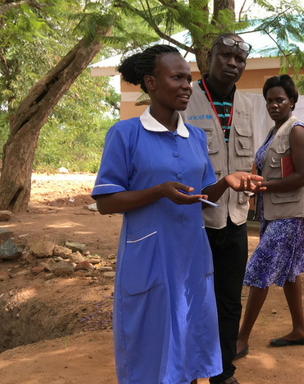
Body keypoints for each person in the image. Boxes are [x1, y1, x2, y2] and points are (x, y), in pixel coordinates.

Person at [92, 45, 264, 384]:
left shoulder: (195, 138)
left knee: (188, 342)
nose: (187, 85)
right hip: (149, 257)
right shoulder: (125, 134)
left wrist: (226, 182)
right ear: (151, 83)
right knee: (149, 345)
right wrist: (157, 192)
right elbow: (105, 202)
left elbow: (199, 198)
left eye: (188, 78)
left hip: (191, 257)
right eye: (177, 78)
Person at [183, 33, 254, 384]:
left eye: (239, 59)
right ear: (209, 57)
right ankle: (190, 370)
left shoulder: (247, 105)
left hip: (236, 220)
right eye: (225, 55)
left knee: (228, 303)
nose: (233, 63)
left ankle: (223, 373)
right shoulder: (187, 100)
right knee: (194, 301)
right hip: (196, 221)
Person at [235, 75, 304, 357]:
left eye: (280, 99)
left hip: (293, 215)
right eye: (269, 100)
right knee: (290, 270)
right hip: (275, 212)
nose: (274, 104)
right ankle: (300, 329)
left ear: (292, 101)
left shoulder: (296, 131)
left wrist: (264, 185)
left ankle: (241, 339)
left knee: (260, 267)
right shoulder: (275, 131)